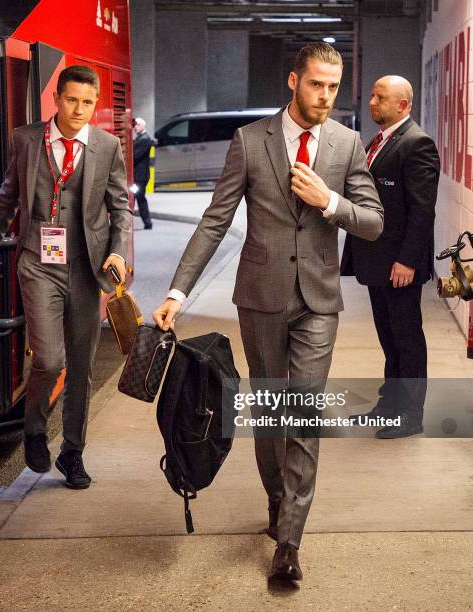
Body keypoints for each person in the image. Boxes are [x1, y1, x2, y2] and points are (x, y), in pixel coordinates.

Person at [153, 43, 383, 582]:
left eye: (333, 86)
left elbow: (372, 221)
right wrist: (177, 294)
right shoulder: (249, 142)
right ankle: (277, 499)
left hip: (318, 302)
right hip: (259, 296)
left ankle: (289, 543)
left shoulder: (348, 145)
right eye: (315, 85)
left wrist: (330, 201)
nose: (325, 96)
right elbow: (215, 220)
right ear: (292, 81)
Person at [0, 65, 132, 489]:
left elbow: (121, 208)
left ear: (95, 103)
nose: (79, 109)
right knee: (49, 360)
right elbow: (8, 194)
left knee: (80, 366)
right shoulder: (27, 139)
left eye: (87, 102)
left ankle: (73, 453)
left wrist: (118, 251)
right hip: (38, 263)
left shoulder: (106, 145)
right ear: (56, 99)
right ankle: (33, 428)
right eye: (71, 100)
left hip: (86, 266)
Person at [342, 76, 440, 439]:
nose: (372, 102)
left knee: (407, 339)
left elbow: (422, 211)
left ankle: (410, 415)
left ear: (403, 105)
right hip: (378, 262)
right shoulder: (381, 141)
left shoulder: (417, 144)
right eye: (371, 95)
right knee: (389, 337)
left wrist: (408, 260)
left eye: (380, 97)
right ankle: (389, 405)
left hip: (399, 264)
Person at [133, 117, 153, 229]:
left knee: (139, 198)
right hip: (140, 175)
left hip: (139, 176)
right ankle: (147, 222)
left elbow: (135, 156)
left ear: (143, 126)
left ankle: (147, 222)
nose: (135, 127)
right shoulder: (141, 138)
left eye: (137, 125)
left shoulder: (144, 139)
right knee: (139, 198)